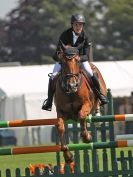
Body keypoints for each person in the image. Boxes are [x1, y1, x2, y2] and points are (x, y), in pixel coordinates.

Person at [42, 13, 108, 111]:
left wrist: (77, 59)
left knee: (91, 73)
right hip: (65, 61)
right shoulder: (65, 35)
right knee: (53, 76)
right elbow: (57, 52)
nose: (78, 27)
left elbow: (86, 55)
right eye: (76, 24)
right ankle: (49, 102)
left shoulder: (86, 37)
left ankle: (100, 96)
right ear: (72, 25)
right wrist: (61, 57)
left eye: (80, 24)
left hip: (80, 60)